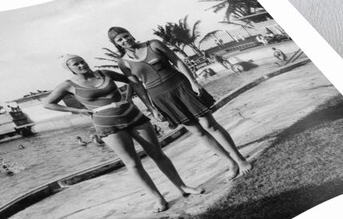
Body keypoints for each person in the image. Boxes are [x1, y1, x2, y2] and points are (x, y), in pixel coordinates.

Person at [44, 54, 204, 213]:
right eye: (75, 64)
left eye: (82, 61)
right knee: (133, 164)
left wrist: (127, 97)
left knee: (158, 154)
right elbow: (48, 103)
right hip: (107, 123)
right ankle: (158, 198)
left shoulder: (104, 73)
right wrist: (77, 110)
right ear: (69, 69)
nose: (80, 65)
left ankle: (183, 187)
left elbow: (131, 79)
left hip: (133, 115)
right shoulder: (67, 85)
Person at [108, 27, 253, 180]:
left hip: (181, 86)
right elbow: (137, 86)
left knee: (210, 125)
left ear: (131, 34)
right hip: (161, 98)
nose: (125, 40)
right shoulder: (123, 63)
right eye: (120, 40)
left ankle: (240, 159)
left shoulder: (153, 45)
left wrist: (193, 82)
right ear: (116, 44)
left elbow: (177, 61)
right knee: (198, 132)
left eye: (126, 35)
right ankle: (230, 162)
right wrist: (151, 108)